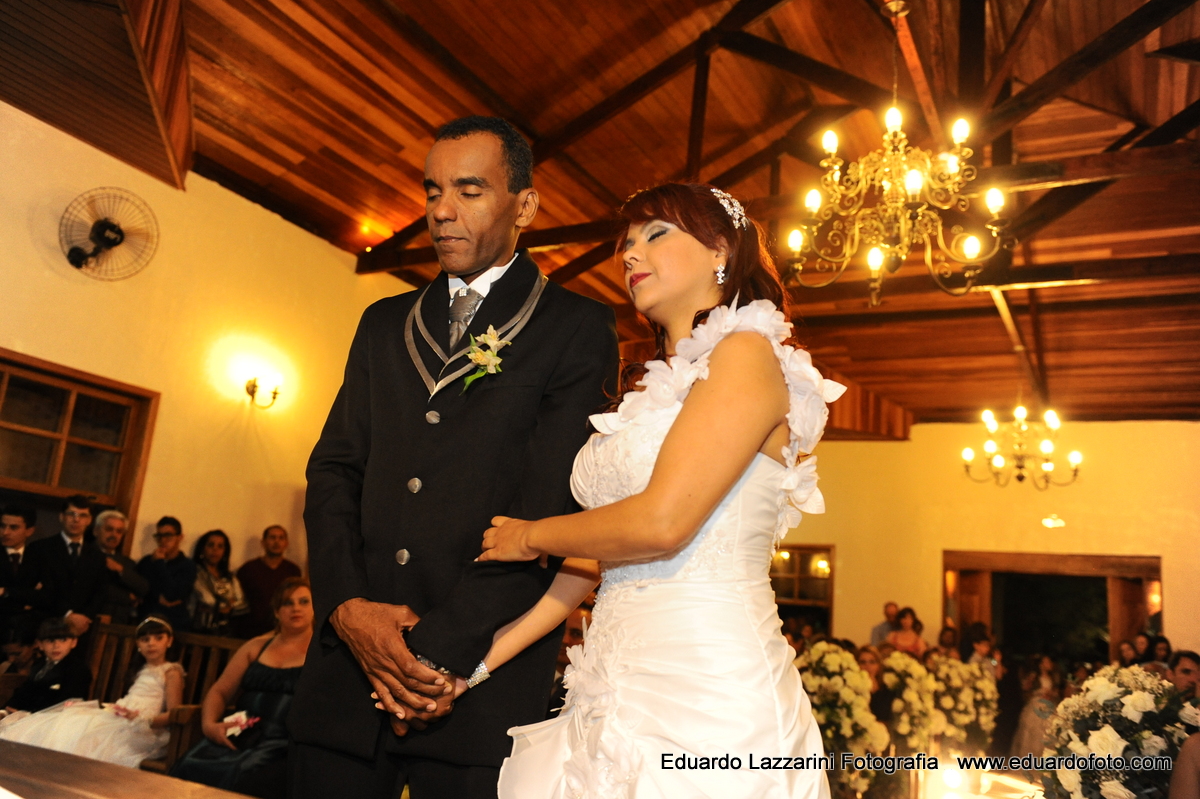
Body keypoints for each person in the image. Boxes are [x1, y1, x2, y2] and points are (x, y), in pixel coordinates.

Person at [288, 115, 619, 799]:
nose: (441, 210)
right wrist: (347, 607)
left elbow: (546, 510)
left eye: (469, 190)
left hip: (473, 689)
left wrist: (430, 654)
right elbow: (333, 471)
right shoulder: (382, 322)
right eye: (432, 189)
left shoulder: (576, 328)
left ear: (525, 205)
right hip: (347, 678)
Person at [477, 182, 842, 798]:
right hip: (611, 684)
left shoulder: (747, 353)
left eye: (656, 234)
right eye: (626, 242)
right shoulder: (649, 391)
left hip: (707, 693)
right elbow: (598, 561)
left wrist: (528, 536)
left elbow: (662, 524)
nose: (629, 254)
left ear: (721, 250)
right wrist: (480, 663)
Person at [173, 577, 313, 797]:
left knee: (244, 776)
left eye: (304, 601)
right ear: (276, 611)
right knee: (190, 765)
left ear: (315, 608)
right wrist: (210, 725)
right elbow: (220, 691)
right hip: (242, 733)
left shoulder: (322, 653)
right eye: (287, 603)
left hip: (284, 744)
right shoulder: (255, 647)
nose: (296, 607)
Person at [0, 617, 182, 767]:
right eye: (145, 639)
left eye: (158, 638)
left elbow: (175, 713)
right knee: (74, 725)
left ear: (170, 641)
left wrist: (143, 721)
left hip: (145, 727)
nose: (151, 644)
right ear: (138, 644)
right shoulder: (141, 670)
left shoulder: (171, 672)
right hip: (122, 717)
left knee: (86, 735)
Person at [25, 495, 106, 636]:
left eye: (82, 515)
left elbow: (100, 591)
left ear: (89, 520)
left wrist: (85, 616)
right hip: (46, 624)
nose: (76, 519)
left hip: (82, 628)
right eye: (71, 514)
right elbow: (38, 589)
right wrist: (68, 614)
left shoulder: (97, 555)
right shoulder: (40, 548)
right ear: (61, 517)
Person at [2, 617, 91, 713]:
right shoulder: (39, 665)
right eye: (50, 641)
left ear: (73, 642)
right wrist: (5, 710)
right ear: (40, 644)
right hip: (31, 717)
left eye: (63, 640)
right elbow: (24, 693)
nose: (56, 646)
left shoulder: (78, 670)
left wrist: (28, 715)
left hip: (58, 720)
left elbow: (65, 704)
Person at [237, 525, 302, 637]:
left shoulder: (293, 570)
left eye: (281, 538)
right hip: (251, 629)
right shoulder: (248, 569)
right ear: (263, 542)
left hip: (282, 630)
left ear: (286, 543)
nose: (276, 542)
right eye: (272, 537)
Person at [137, 517, 196, 632]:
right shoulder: (147, 562)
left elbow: (172, 594)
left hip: (175, 625)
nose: (163, 540)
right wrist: (156, 596)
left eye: (168, 536)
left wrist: (160, 563)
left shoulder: (188, 566)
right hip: (147, 622)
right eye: (159, 536)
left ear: (180, 537)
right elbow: (139, 589)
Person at [90, 509, 149, 625]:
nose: (114, 535)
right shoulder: (85, 554)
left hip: (120, 623)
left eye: (119, 531)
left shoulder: (127, 563)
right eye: (109, 529)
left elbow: (144, 587)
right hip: (92, 619)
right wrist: (128, 597)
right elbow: (95, 588)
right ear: (96, 531)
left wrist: (120, 569)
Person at [1, 504, 50, 635]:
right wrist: (27, 596)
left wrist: (6, 591)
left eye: (13, 527)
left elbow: (45, 597)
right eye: (2, 526)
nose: (5, 532)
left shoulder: (38, 559)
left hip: (24, 632)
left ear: (29, 531)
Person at [190, 530, 249, 636]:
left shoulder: (230, 577)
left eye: (220, 546)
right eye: (211, 545)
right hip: (199, 632)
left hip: (226, 632)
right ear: (202, 549)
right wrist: (227, 604)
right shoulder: (195, 572)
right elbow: (206, 598)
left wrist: (227, 607)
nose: (215, 549)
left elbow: (241, 603)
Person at [1011, 654, 1062, 759]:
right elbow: (1026, 688)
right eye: (1046, 662)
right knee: (1033, 731)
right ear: (1041, 664)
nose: (1049, 664)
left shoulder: (1053, 677)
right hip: (1037, 705)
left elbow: (1056, 692)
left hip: (1049, 705)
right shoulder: (1034, 676)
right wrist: (1040, 692)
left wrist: (1051, 693)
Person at [546, 605, 590, 717]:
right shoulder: (531, 674)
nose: (564, 640)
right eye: (560, 631)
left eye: (576, 634)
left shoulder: (589, 691)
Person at [857, 645, 893, 724]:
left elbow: (885, 717)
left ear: (878, 665)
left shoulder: (886, 690)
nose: (867, 666)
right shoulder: (853, 689)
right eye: (863, 662)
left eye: (872, 662)